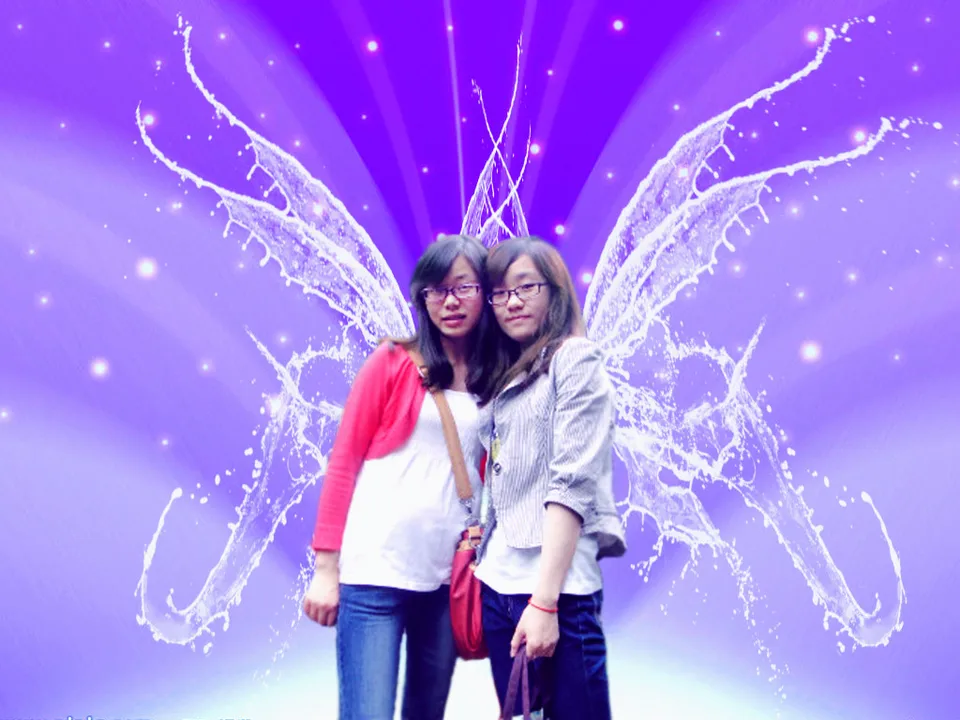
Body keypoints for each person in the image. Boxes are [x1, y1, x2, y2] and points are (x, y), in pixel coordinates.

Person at [302, 234, 492, 720]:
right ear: (422, 298)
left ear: (485, 291)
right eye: (436, 290)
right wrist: (326, 570)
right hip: (375, 572)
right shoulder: (391, 361)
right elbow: (343, 461)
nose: (450, 301)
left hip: (447, 578)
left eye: (463, 287)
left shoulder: (495, 376)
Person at [474, 236, 626, 720]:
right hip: (498, 584)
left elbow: (570, 485)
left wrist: (544, 603)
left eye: (526, 287)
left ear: (555, 291)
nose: (512, 301)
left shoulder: (574, 358)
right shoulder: (506, 372)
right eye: (500, 293)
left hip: (556, 592)